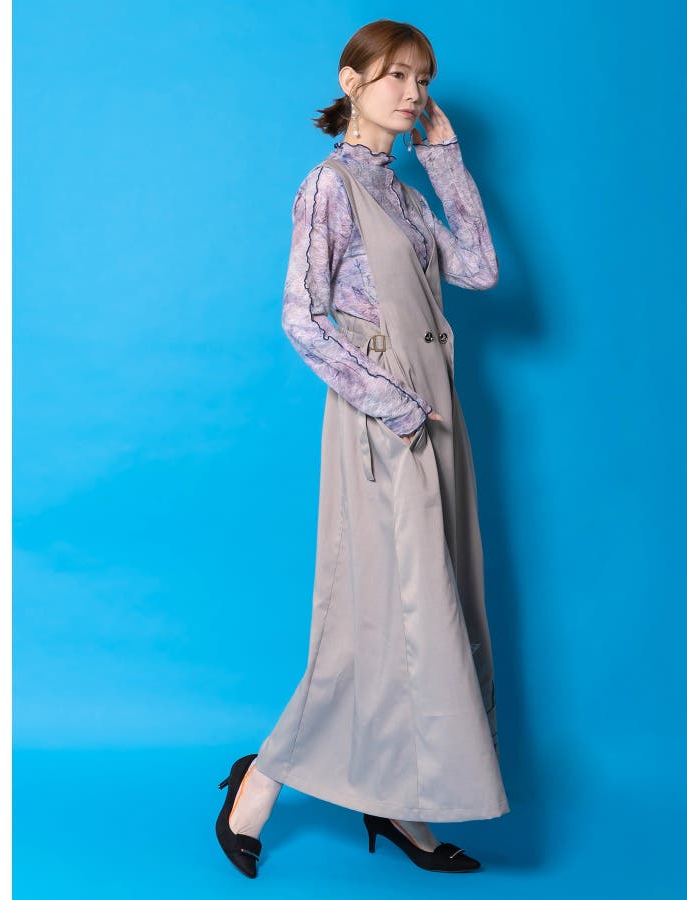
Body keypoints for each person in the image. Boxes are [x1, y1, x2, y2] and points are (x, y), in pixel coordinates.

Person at [215, 19, 509, 879]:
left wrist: (444, 159)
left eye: (424, 78)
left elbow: (479, 270)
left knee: (432, 609)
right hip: (386, 418)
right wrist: (395, 407)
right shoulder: (329, 185)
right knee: (373, 614)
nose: (413, 92)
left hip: (437, 414)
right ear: (351, 81)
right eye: (395, 76)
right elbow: (302, 317)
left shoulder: (406, 195)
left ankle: (400, 795)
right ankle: (262, 780)